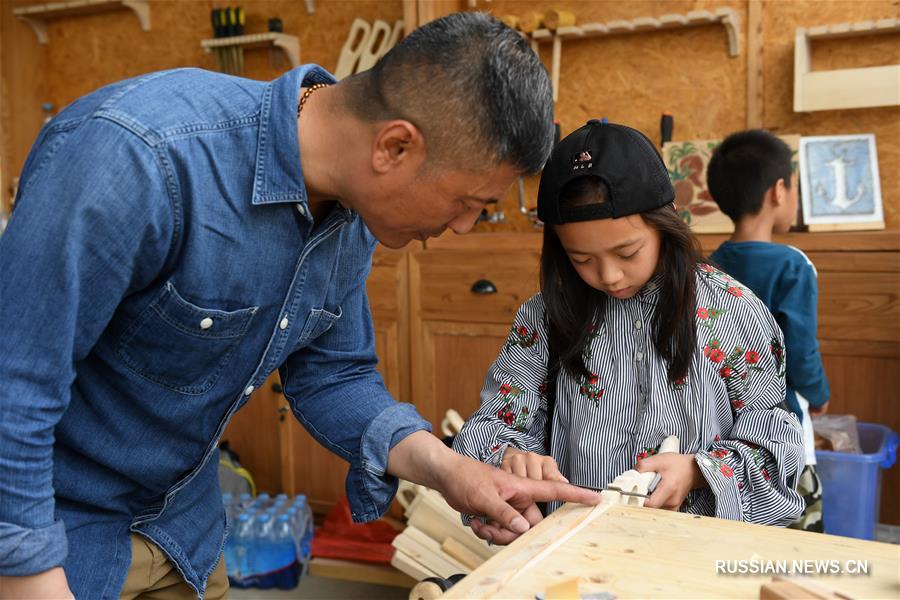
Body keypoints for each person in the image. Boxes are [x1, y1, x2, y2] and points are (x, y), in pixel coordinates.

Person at [0, 13, 600, 599]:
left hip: (183, 530)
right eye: (470, 202)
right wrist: (28, 572)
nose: (466, 228)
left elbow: (334, 375)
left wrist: (449, 470)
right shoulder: (140, 157)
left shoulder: (352, 213)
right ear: (395, 146)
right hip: (56, 539)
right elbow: (14, 387)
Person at [453, 120, 805, 544]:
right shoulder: (547, 318)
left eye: (627, 251)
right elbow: (489, 429)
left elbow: (777, 448)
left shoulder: (733, 313)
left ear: (665, 224)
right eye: (581, 259)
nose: (609, 275)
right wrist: (511, 457)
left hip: (691, 557)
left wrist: (696, 471)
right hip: (572, 551)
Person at [707, 129, 830, 532]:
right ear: (779, 190)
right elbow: (800, 350)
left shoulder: (707, 266)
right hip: (783, 431)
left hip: (721, 434)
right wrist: (820, 394)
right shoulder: (793, 264)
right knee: (797, 544)